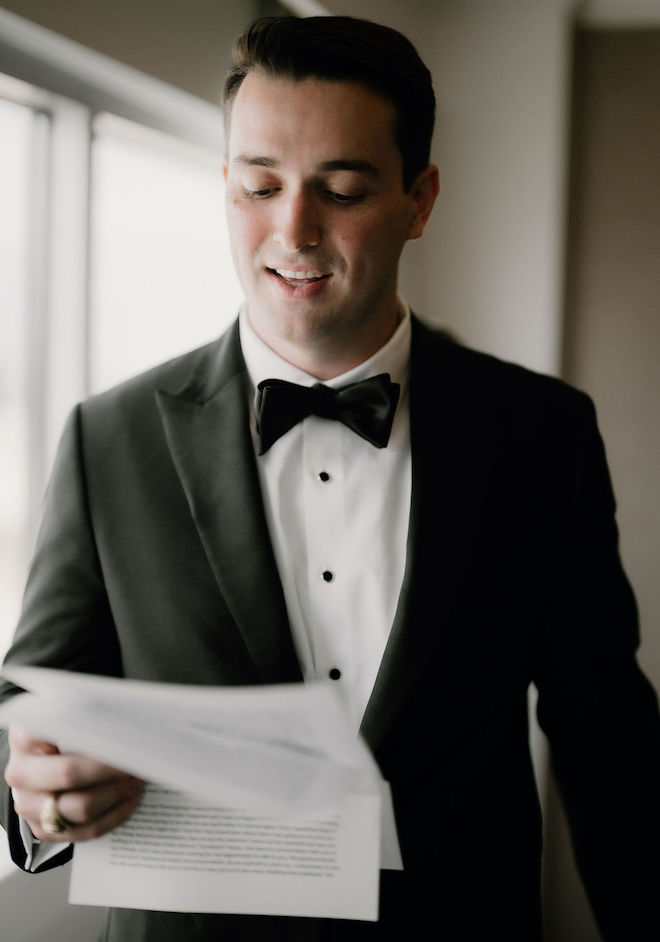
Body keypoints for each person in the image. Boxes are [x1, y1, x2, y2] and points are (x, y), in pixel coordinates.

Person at [1, 14, 660, 941]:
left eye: (342, 189)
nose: (293, 229)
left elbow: (608, 745)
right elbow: (33, 704)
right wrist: (32, 794)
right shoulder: (106, 438)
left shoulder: (541, 435)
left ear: (419, 200)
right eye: (258, 185)